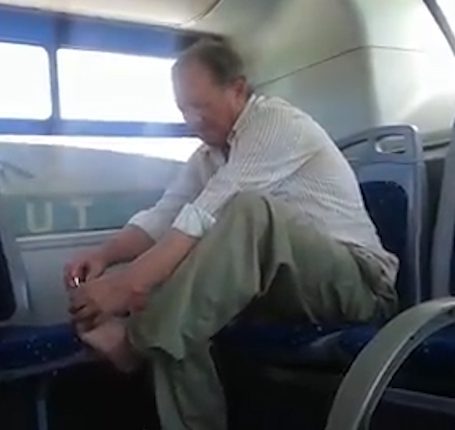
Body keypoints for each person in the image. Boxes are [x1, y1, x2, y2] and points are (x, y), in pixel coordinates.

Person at [65, 38, 399, 430]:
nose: (192, 120)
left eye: (201, 106)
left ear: (238, 89)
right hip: (284, 289)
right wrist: (106, 256)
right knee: (183, 319)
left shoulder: (277, 124)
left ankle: (135, 340)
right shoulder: (208, 156)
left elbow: (209, 211)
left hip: (358, 287)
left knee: (245, 212)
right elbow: (166, 215)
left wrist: (128, 286)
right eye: (183, 109)